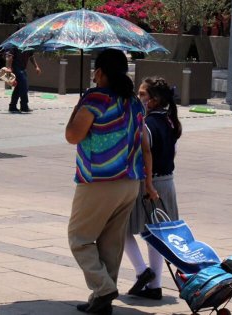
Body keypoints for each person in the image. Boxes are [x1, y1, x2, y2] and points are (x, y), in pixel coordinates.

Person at [66, 49, 157, 315]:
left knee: (79, 239)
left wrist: (78, 106)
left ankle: (103, 288)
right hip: (129, 181)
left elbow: (73, 136)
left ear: (100, 72)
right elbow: (145, 146)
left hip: (98, 180)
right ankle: (102, 299)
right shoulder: (134, 102)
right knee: (111, 242)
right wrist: (148, 184)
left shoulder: (95, 99)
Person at [124, 77, 182, 301]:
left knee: (120, 229)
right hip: (167, 182)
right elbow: (173, 153)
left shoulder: (146, 125)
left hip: (150, 183)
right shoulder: (170, 122)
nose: (139, 98)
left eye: (142, 95)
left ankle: (142, 271)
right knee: (156, 235)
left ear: (154, 100)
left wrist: (147, 183)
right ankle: (155, 285)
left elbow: (146, 155)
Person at [5, 47, 41, 113]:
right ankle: (24, 106)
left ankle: (12, 106)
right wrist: (9, 68)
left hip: (23, 68)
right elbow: (10, 56)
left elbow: (31, 57)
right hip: (16, 68)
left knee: (18, 88)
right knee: (24, 86)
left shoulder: (29, 46)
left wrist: (36, 66)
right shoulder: (15, 46)